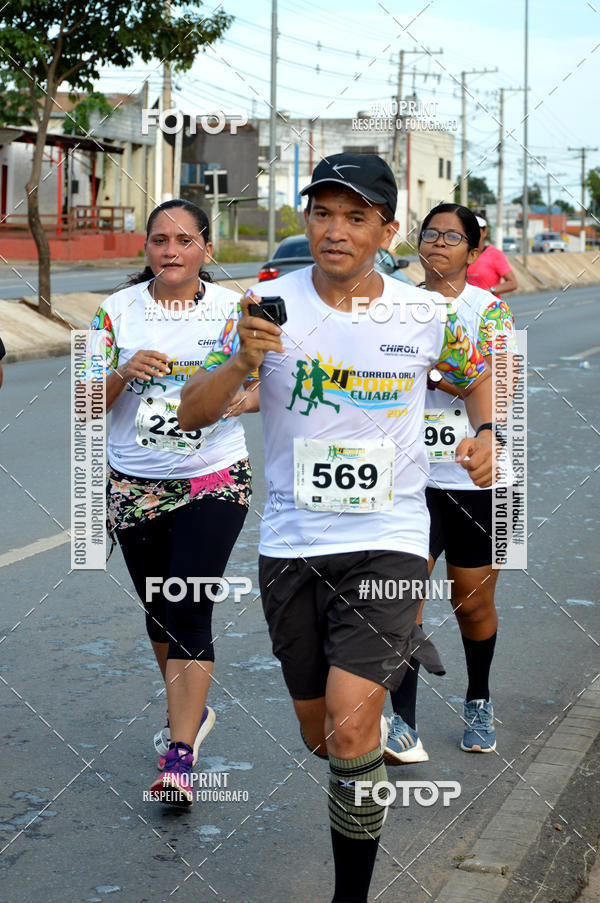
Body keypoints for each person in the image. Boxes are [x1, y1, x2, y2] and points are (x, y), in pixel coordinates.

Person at [178, 153, 494, 903]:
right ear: (307, 219)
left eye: (356, 217)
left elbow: (477, 371)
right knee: (325, 739)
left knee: (354, 732)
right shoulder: (264, 303)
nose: (335, 230)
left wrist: (490, 433)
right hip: (292, 547)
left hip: (390, 541)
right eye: (322, 213)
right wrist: (240, 365)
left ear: (387, 230)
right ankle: (374, 707)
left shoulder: (427, 314)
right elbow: (194, 412)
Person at [85, 198, 256, 806]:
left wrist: (240, 398)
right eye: (160, 240)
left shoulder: (235, 311)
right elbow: (85, 405)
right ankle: (192, 712)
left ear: (206, 249)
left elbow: (274, 385)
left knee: (188, 602)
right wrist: (124, 371)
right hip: (134, 481)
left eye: (185, 240)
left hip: (212, 476)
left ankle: (179, 755)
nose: (172, 251)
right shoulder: (114, 313)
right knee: (160, 611)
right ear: (148, 248)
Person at [385, 204, 516, 765]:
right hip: (409, 478)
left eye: (452, 237)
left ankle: (479, 698)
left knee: (472, 603)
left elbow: (500, 392)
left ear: (474, 248)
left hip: (472, 478)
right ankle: (403, 725)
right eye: (430, 234)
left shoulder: (490, 313)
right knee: (402, 600)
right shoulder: (393, 307)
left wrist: (441, 375)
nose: (438, 244)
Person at [467, 216, 518, 297]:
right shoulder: (462, 254)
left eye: (476, 230)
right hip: (467, 307)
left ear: (484, 232)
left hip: (489, 307)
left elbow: (512, 283)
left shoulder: (494, 254)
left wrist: (490, 291)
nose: (473, 234)